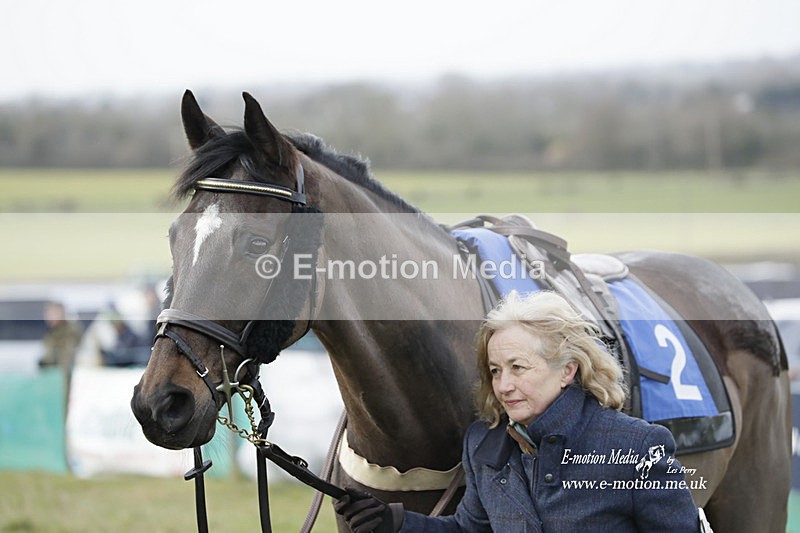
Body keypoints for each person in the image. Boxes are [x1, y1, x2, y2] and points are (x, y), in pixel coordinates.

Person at [334, 290, 701, 532]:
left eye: (518, 367)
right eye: (495, 370)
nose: (503, 385)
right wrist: (395, 522)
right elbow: (469, 529)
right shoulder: (484, 444)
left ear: (566, 370)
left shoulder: (638, 446)